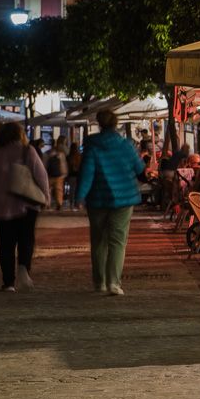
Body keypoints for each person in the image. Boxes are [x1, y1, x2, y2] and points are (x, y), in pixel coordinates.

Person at [75, 109, 146, 296]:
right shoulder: (126, 145)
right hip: (124, 198)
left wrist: (80, 196)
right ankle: (114, 282)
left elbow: (87, 172)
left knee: (99, 240)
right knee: (117, 241)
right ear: (116, 124)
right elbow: (140, 168)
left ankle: (100, 282)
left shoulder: (92, 145)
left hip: (97, 199)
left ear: (100, 124)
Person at [0, 122, 49, 291]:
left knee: (6, 244)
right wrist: (46, 197)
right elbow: (41, 175)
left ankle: (8, 282)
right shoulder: (27, 151)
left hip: (1, 206)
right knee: (26, 239)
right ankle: (24, 268)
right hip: (27, 203)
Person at [45, 136, 69, 211]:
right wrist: (64, 173)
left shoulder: (48, 153)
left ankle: (47, 203)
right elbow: (63, 164)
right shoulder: (61, 154)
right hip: (59, 175)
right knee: (59, 190)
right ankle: (59, 203)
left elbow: (45, 163)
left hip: (49, 175)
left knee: (48, 190)